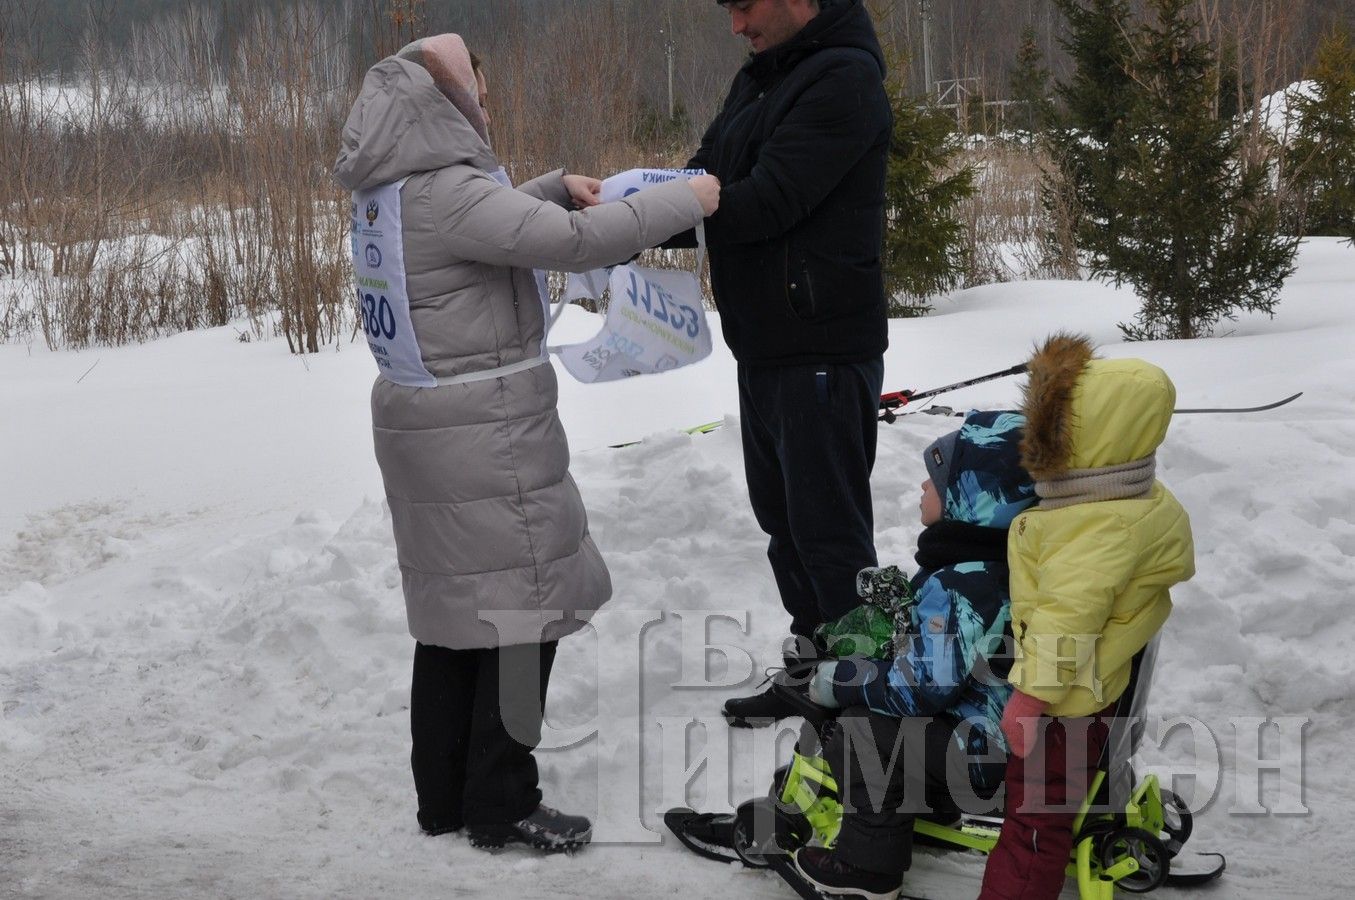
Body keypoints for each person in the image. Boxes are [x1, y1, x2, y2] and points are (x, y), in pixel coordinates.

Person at [333, 34, 720, 853]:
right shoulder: (449, 194)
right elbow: (575, 246)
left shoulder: (391, 190)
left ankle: (444, 795)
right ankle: (502, 801)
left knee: (451, 617)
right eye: (478, 83)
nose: (488, 97)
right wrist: (688, 197)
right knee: (522, 610)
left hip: (426, 424)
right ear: (445, 100)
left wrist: (550, 188)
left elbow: (482, 231)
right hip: (486, 434)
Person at [678, 0, 893, 726]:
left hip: (822, 346)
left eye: (745, 6)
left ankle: (862, 695)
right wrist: (613, 210)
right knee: (785, 527)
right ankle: (813, 667)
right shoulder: (762, 79)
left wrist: (668, 208)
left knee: (830, 536)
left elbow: (767, 202)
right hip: (766, 346)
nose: (736, 25)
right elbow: (700, 178)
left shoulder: (844, 78)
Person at [977, 333, 1195, 899]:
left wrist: (1028, 699)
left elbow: (1065, 620)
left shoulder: (1098, 528)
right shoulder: (1126, 496)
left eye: (1054, 429)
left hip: (1061, 707)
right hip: (1090, 694)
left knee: (1033, 824)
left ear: (1094, 438)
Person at [793, 411, 1038, 900]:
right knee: (882, 716)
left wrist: (835, 680)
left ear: (970, 497)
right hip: (992, 733)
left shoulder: (965, 582)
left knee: (861, 731)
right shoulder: (994, 564)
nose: (923, 485)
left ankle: (868, 866)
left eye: (937, 477)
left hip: (984, 756)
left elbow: (918, 689)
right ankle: (922, 806)